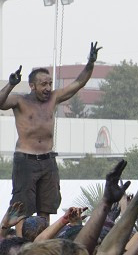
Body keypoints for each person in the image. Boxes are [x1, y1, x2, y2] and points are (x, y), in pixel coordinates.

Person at [0, 44, 101, 220]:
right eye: (43, 84)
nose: (47, 88)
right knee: (22, 208)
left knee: (46, 207)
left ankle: (42, 242)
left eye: (49, 84)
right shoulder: (20, 101)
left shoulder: (53, 98)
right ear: (32, 85)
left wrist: (90, 63)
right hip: (25, 160)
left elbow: (78, 83)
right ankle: (19, 244)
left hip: (48, 161)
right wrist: (10, 84)